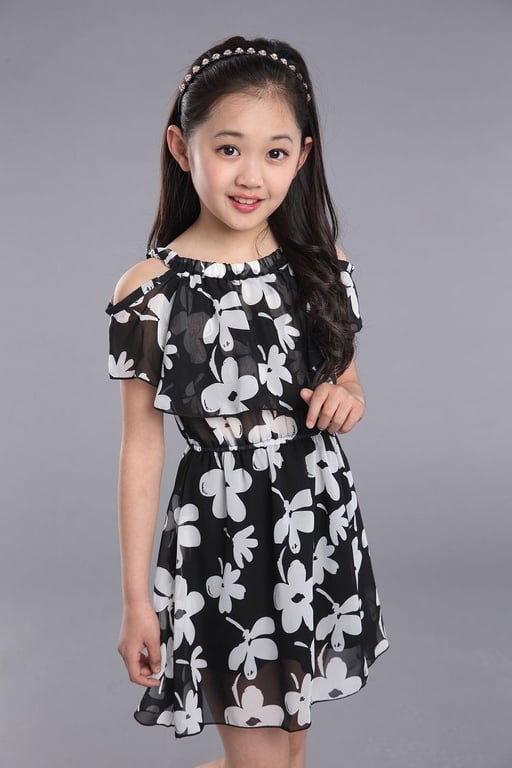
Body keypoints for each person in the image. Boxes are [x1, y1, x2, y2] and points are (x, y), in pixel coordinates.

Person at [105, 35, 390, 768]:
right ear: (182, 147)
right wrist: (137, 601)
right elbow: (142, 446)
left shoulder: (320, 267)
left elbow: (348, 380)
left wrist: (346, 397)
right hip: (223, 538)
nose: (251, 175)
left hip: (310, 525)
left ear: (303, 156)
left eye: (275, 152)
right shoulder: (152, 292)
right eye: (229, 149)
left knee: (285, 756)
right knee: (261, 759)